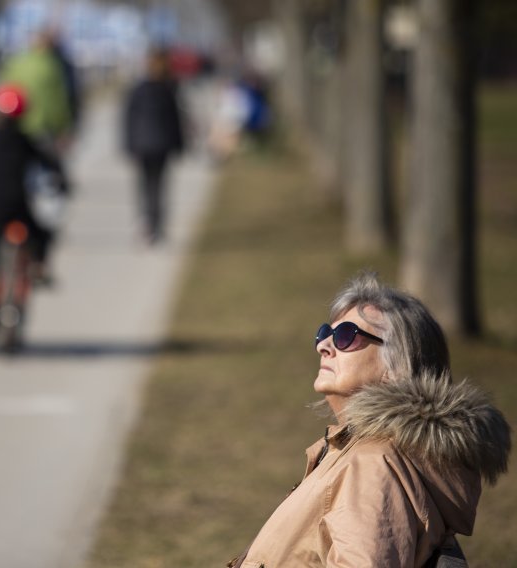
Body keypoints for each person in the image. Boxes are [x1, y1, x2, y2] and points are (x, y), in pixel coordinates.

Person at [227, 272, 511, 567]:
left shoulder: (373, 464)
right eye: (325, 333)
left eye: (345, 336)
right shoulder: (357, 451)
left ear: (397, 367)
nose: (323, 345)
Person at [0, 84, 67, 331]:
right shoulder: (26, 140)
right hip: (20, 205)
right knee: (44, 234)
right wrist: (62, 183)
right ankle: (39, 266)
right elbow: (50, 165)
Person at [123, 47, 185, 245]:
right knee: (158, 186)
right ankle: (155, 224)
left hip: (143, 145)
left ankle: (148, 223)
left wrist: (129, 144)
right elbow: (176, 120)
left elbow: (128, 119)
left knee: (145, 185)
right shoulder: (168, 89)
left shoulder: (140, 89)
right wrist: (179, 144)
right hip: (161, 145)